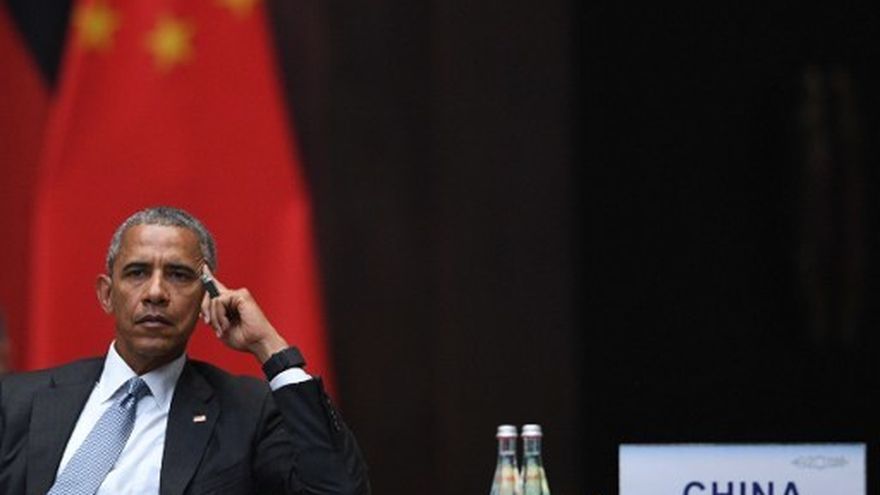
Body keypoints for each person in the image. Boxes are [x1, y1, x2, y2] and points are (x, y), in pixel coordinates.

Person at [0, 206, 370, 494]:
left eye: (179, 275)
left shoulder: (248, 414)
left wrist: (269, 346)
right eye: (137, 272)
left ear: (206, 297)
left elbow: (338, 489)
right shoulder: (16, 401)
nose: (156, 293)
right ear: (107, 294)